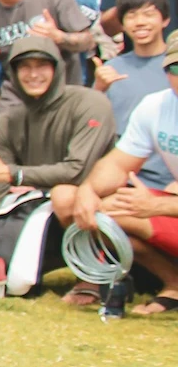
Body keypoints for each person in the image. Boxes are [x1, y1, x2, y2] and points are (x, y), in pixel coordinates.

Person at [0, 34, 113, 249]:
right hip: (41, 210)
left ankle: (92, 274)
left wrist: (13, 174)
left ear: (57, 69)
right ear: (14, 73)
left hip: (97, 201)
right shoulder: (7, 120)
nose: (33, 74)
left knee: (63, 196)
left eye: (42, 66)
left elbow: (77, 170)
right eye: (25, 67)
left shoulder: (90, 103)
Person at [62, 37, 178, 313]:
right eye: (177, 69)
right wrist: (89, 191)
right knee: (91, 206)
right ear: (166, 73)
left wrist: (157, 206)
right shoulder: (156, 106)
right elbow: (117, 164)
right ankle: (174, 285)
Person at [98, 0, 172, 144]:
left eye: (148, 14)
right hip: (123, 159)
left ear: (165, 20)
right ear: (122, 24)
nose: (140, 22)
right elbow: (94, 120)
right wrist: (99, 89)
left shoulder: (174, 65)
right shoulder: (112, 68)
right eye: (131, 16)